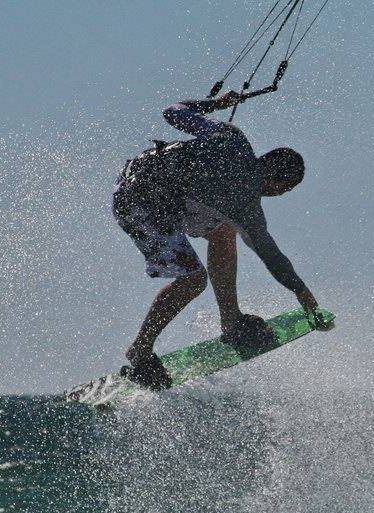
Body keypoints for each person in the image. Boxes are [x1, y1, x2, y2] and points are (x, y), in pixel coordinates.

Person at [112, 90, 320, 388]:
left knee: (223, 232)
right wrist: (301, 292)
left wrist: (216, 104)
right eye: (283, 190)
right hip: (138, 205)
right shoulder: (246, 206)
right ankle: (140, 351)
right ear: (274, 180)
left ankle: (231, 321)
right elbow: (270, 254)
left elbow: (172, 111)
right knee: (193, 280)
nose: (278, 195)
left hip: (151, 186)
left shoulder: (232, 137)